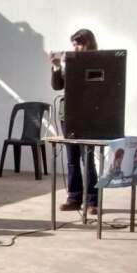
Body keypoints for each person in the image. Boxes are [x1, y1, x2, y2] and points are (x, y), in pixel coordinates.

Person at [51, 28, 99, 214]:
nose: (76, 47)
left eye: (79, 43)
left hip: (87, 116)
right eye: (74, 44)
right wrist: (56, 66)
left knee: (88, 160)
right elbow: (57, 86)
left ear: (89, 43)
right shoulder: (69, 63)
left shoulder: (97, 62)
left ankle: (92, 201)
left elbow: (96, 87)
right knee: (72, 160)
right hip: (68, 115)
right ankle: (74, 198)